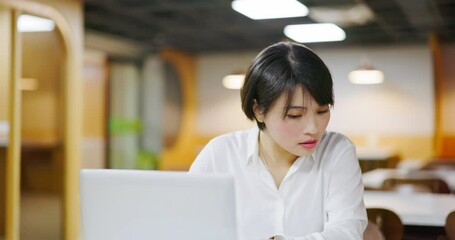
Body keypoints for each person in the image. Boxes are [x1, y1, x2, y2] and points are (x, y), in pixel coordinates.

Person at [189, 41, 367, 240]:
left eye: (322, 111)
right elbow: (187, 225)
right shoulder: (220, 154)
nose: (313, 128)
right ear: (258, 111)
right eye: (295, 115)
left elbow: (348, 231)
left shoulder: (337, 151)